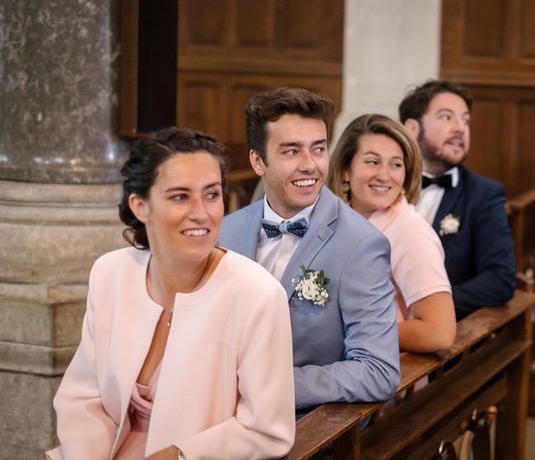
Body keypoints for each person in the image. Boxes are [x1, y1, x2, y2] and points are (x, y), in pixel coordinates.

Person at [46, 128, 295, 460]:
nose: (201, 213)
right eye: (180, 196)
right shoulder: (111, 274)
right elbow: (84, 399)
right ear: (140, 206)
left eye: (212, 195)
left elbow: (266, 430)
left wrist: (179, 455)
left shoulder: (258, 296)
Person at [219, 87, 400, 410]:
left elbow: (378, 370)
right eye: (291, 152)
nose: (310, 165)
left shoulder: (361, 245)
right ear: (258, 161)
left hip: (305, 421)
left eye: (318, 149)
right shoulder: (225, 231)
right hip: (215, 406)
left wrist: (268, 387)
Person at [328, 113, 456, 353]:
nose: (384, 175)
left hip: (387, 371)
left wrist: (351, 334)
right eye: (372, 162)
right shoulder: (335, 219)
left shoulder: (410, 232)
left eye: (396, 164)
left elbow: (438, 333)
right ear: (346, 170)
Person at [399, 79, 516, 319]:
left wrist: (428, 309)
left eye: (465, 120)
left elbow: (500, 278)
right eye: (446, 117)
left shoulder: (483, 194)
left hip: (441, 332)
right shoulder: (386, 183)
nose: (460, 128)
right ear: (412, 128)